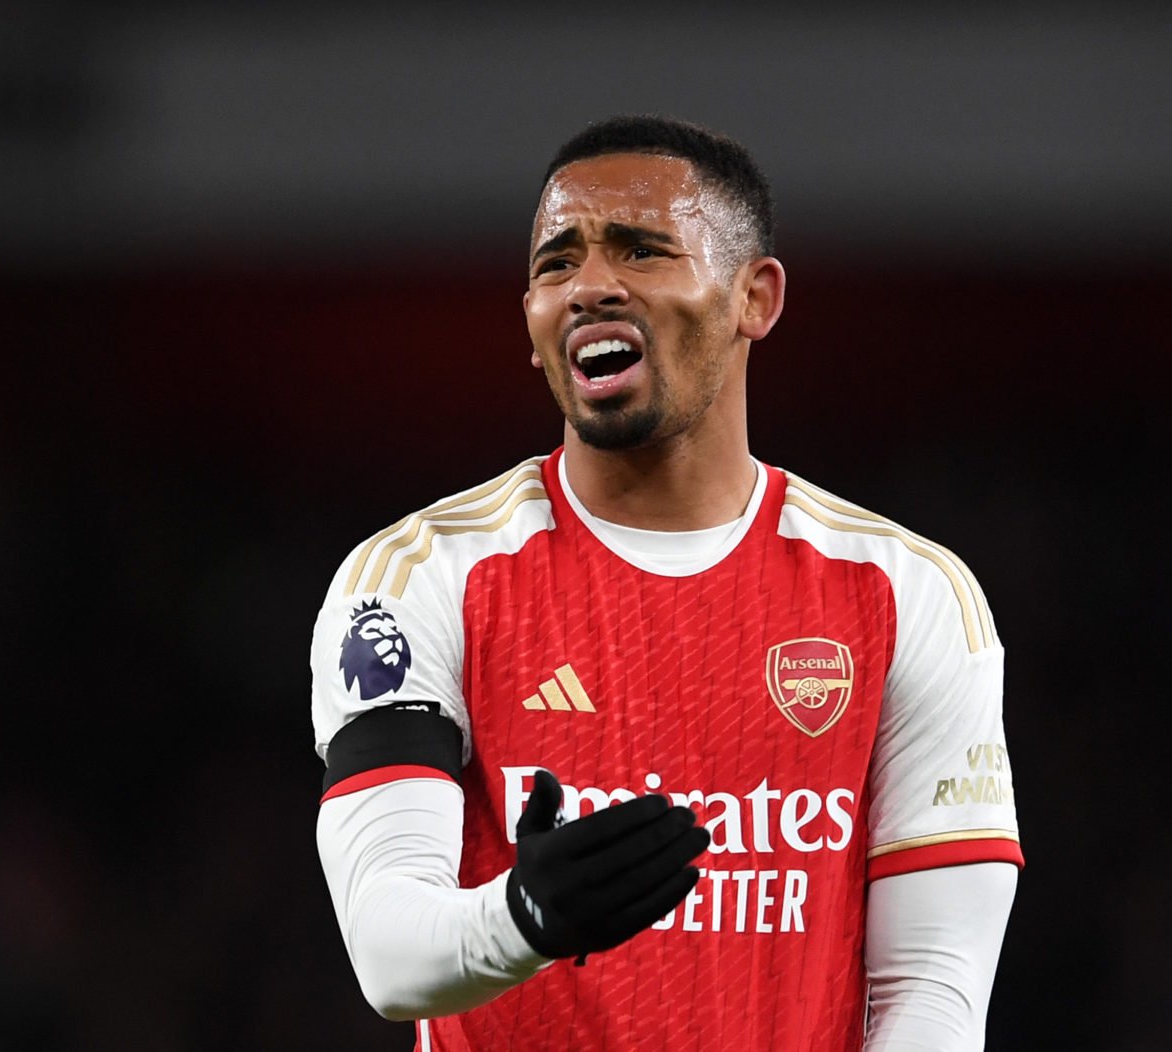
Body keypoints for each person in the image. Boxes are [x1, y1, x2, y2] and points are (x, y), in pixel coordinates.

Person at [310, 115, 1022, 1051]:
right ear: (531, 324)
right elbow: (389, 956)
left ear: (753, 299)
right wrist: (525, 917)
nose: (590, 286)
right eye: (556, 264)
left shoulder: (907, 592)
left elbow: (932, 993)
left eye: (641, 250)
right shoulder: (416, 578)